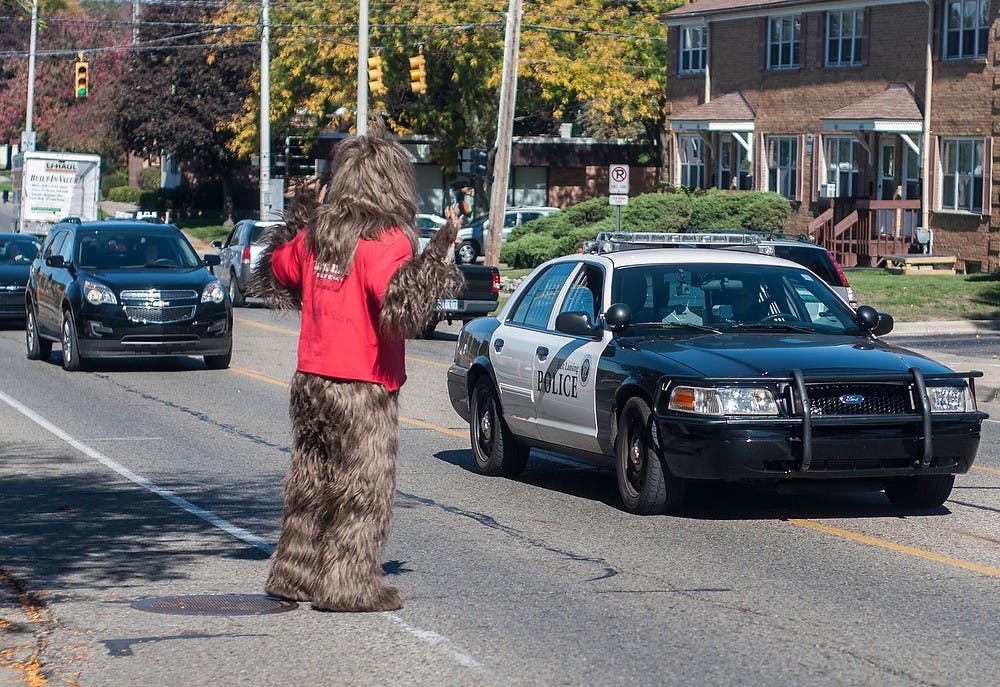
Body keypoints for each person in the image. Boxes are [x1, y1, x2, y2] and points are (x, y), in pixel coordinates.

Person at [248, 127, 463, 612]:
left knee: (310, 481)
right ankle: (347, 583)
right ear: (393, 182)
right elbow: (401, 303)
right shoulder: (385, 241)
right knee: (364, 489)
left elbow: (278, 269)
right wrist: (439, 252)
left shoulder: (318, 238)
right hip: (362, 386)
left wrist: (301, 214)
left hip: (311, 381)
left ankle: (294, 572)